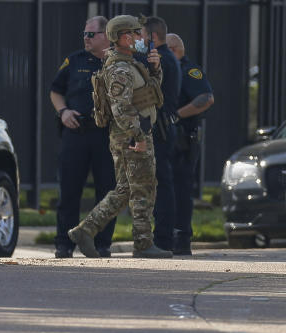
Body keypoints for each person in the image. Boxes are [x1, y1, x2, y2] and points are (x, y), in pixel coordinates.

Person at [68, 15, 172, 259]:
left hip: (136, 133)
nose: (141, 38)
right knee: (142, 188)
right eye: (137, 34)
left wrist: (156, 68)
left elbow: (151, 93)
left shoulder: (131, 62)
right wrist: (137, 136)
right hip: (130, 136)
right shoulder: (120, 68)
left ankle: (85, 230)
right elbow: (121, 109)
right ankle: (143, 243)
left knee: (128, 189)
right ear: (125, 37)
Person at [49, 16, 116, 258]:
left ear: (105, 36)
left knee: (107, 190)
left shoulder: (118, 63)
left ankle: (102, 243)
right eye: (84, 34)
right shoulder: (75, 60)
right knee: (69, 190)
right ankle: (64, 243)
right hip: (76, 131)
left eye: (91, 34)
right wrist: (63, 111)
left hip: (106, 134)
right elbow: (56, 91)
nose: (85, 39)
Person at [167, 33, 215, 256]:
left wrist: (175, 116)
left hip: (184, 139)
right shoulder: (165, 71)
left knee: (181, 189)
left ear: (174, 49)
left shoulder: (189, 71)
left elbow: (206, 98)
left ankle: (182, 237)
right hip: (168, 138)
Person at [139, 15, 180, 252]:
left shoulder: (160, 60)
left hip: (160, 127)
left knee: (161, 184)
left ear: (153, 38)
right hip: (166, 126)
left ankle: (163, 238)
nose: (140, 42)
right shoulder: (168, 58)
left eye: (143, 37)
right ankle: (163, 237)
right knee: (163, 183)